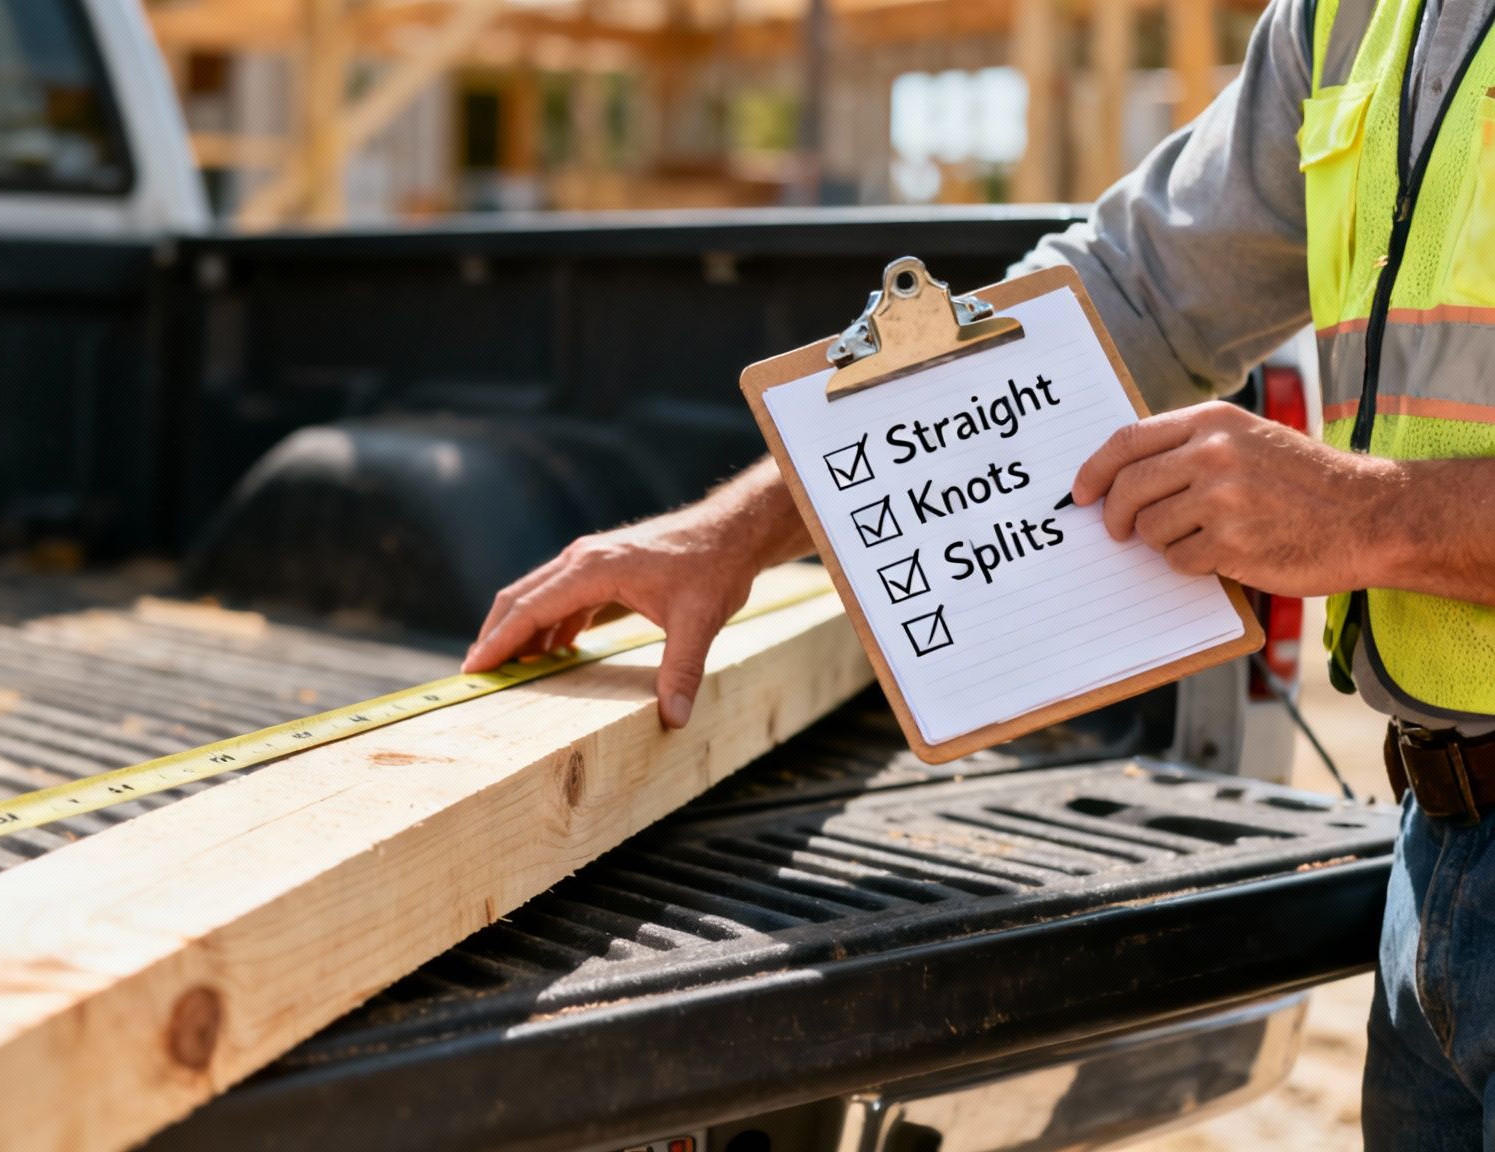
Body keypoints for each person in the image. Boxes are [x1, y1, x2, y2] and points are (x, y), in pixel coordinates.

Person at [462, 1, 1495, 1145]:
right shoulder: (1353, 17)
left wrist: (1370, 515)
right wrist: (734, 531)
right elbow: (1120, 298)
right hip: (1438, 855)